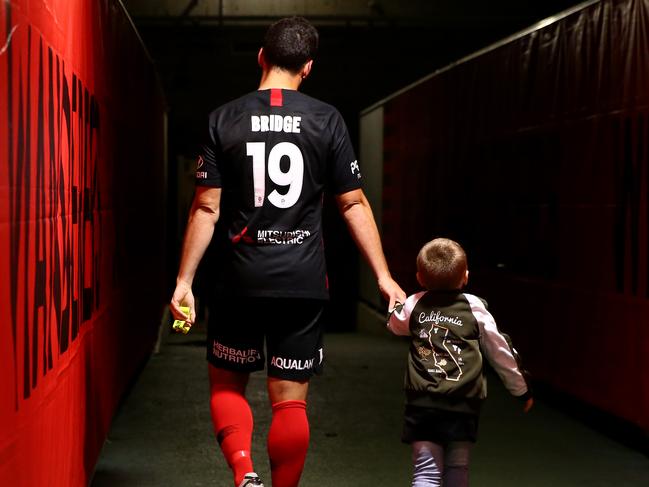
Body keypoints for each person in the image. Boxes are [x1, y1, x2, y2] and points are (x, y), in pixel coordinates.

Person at [169, 16, 405, 487]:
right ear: (308, 67)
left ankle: (243, 471)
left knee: (227, 384)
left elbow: (206, 209)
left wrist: (184, 282)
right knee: (290, 401)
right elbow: (352, 202)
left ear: (261, 56)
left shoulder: (223, 118)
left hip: (239, 280)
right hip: (301, 282)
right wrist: (383, 274)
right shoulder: (327, 119)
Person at [387, 238, 533, 487]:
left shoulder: (415, 303)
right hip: (464, 402)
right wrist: (520, 390)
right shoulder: (474, 307)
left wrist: (396, 306)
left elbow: (395, 325)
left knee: (425, 470)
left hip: (422, 402)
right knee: (457, 465)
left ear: (420, 277)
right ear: (465, 276)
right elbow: (500, 351)